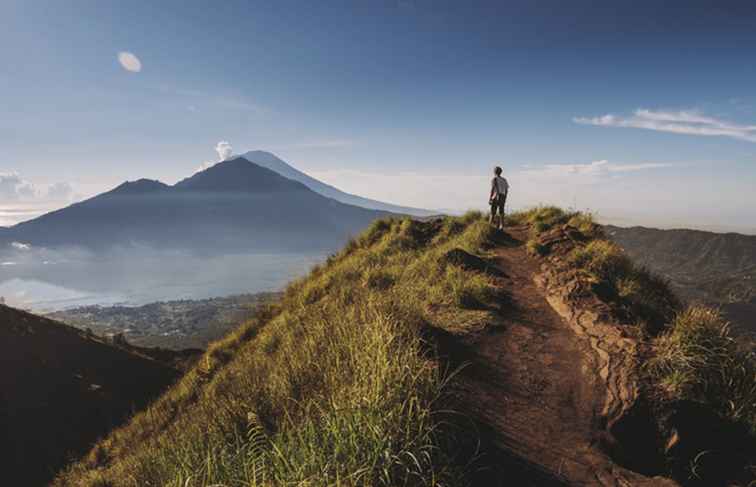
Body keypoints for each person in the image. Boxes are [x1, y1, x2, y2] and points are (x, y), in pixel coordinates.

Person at [489, 166, 509, 230]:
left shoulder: (494, 179)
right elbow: (506, 190)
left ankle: (490, 225)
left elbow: (493, 189)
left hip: (496, 196)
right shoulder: (504, 180)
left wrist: (490, 198)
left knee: (493, 212)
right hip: (503, 196)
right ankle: (502, 226)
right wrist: (505, 197)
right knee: (501, 211)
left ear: (495, 172)